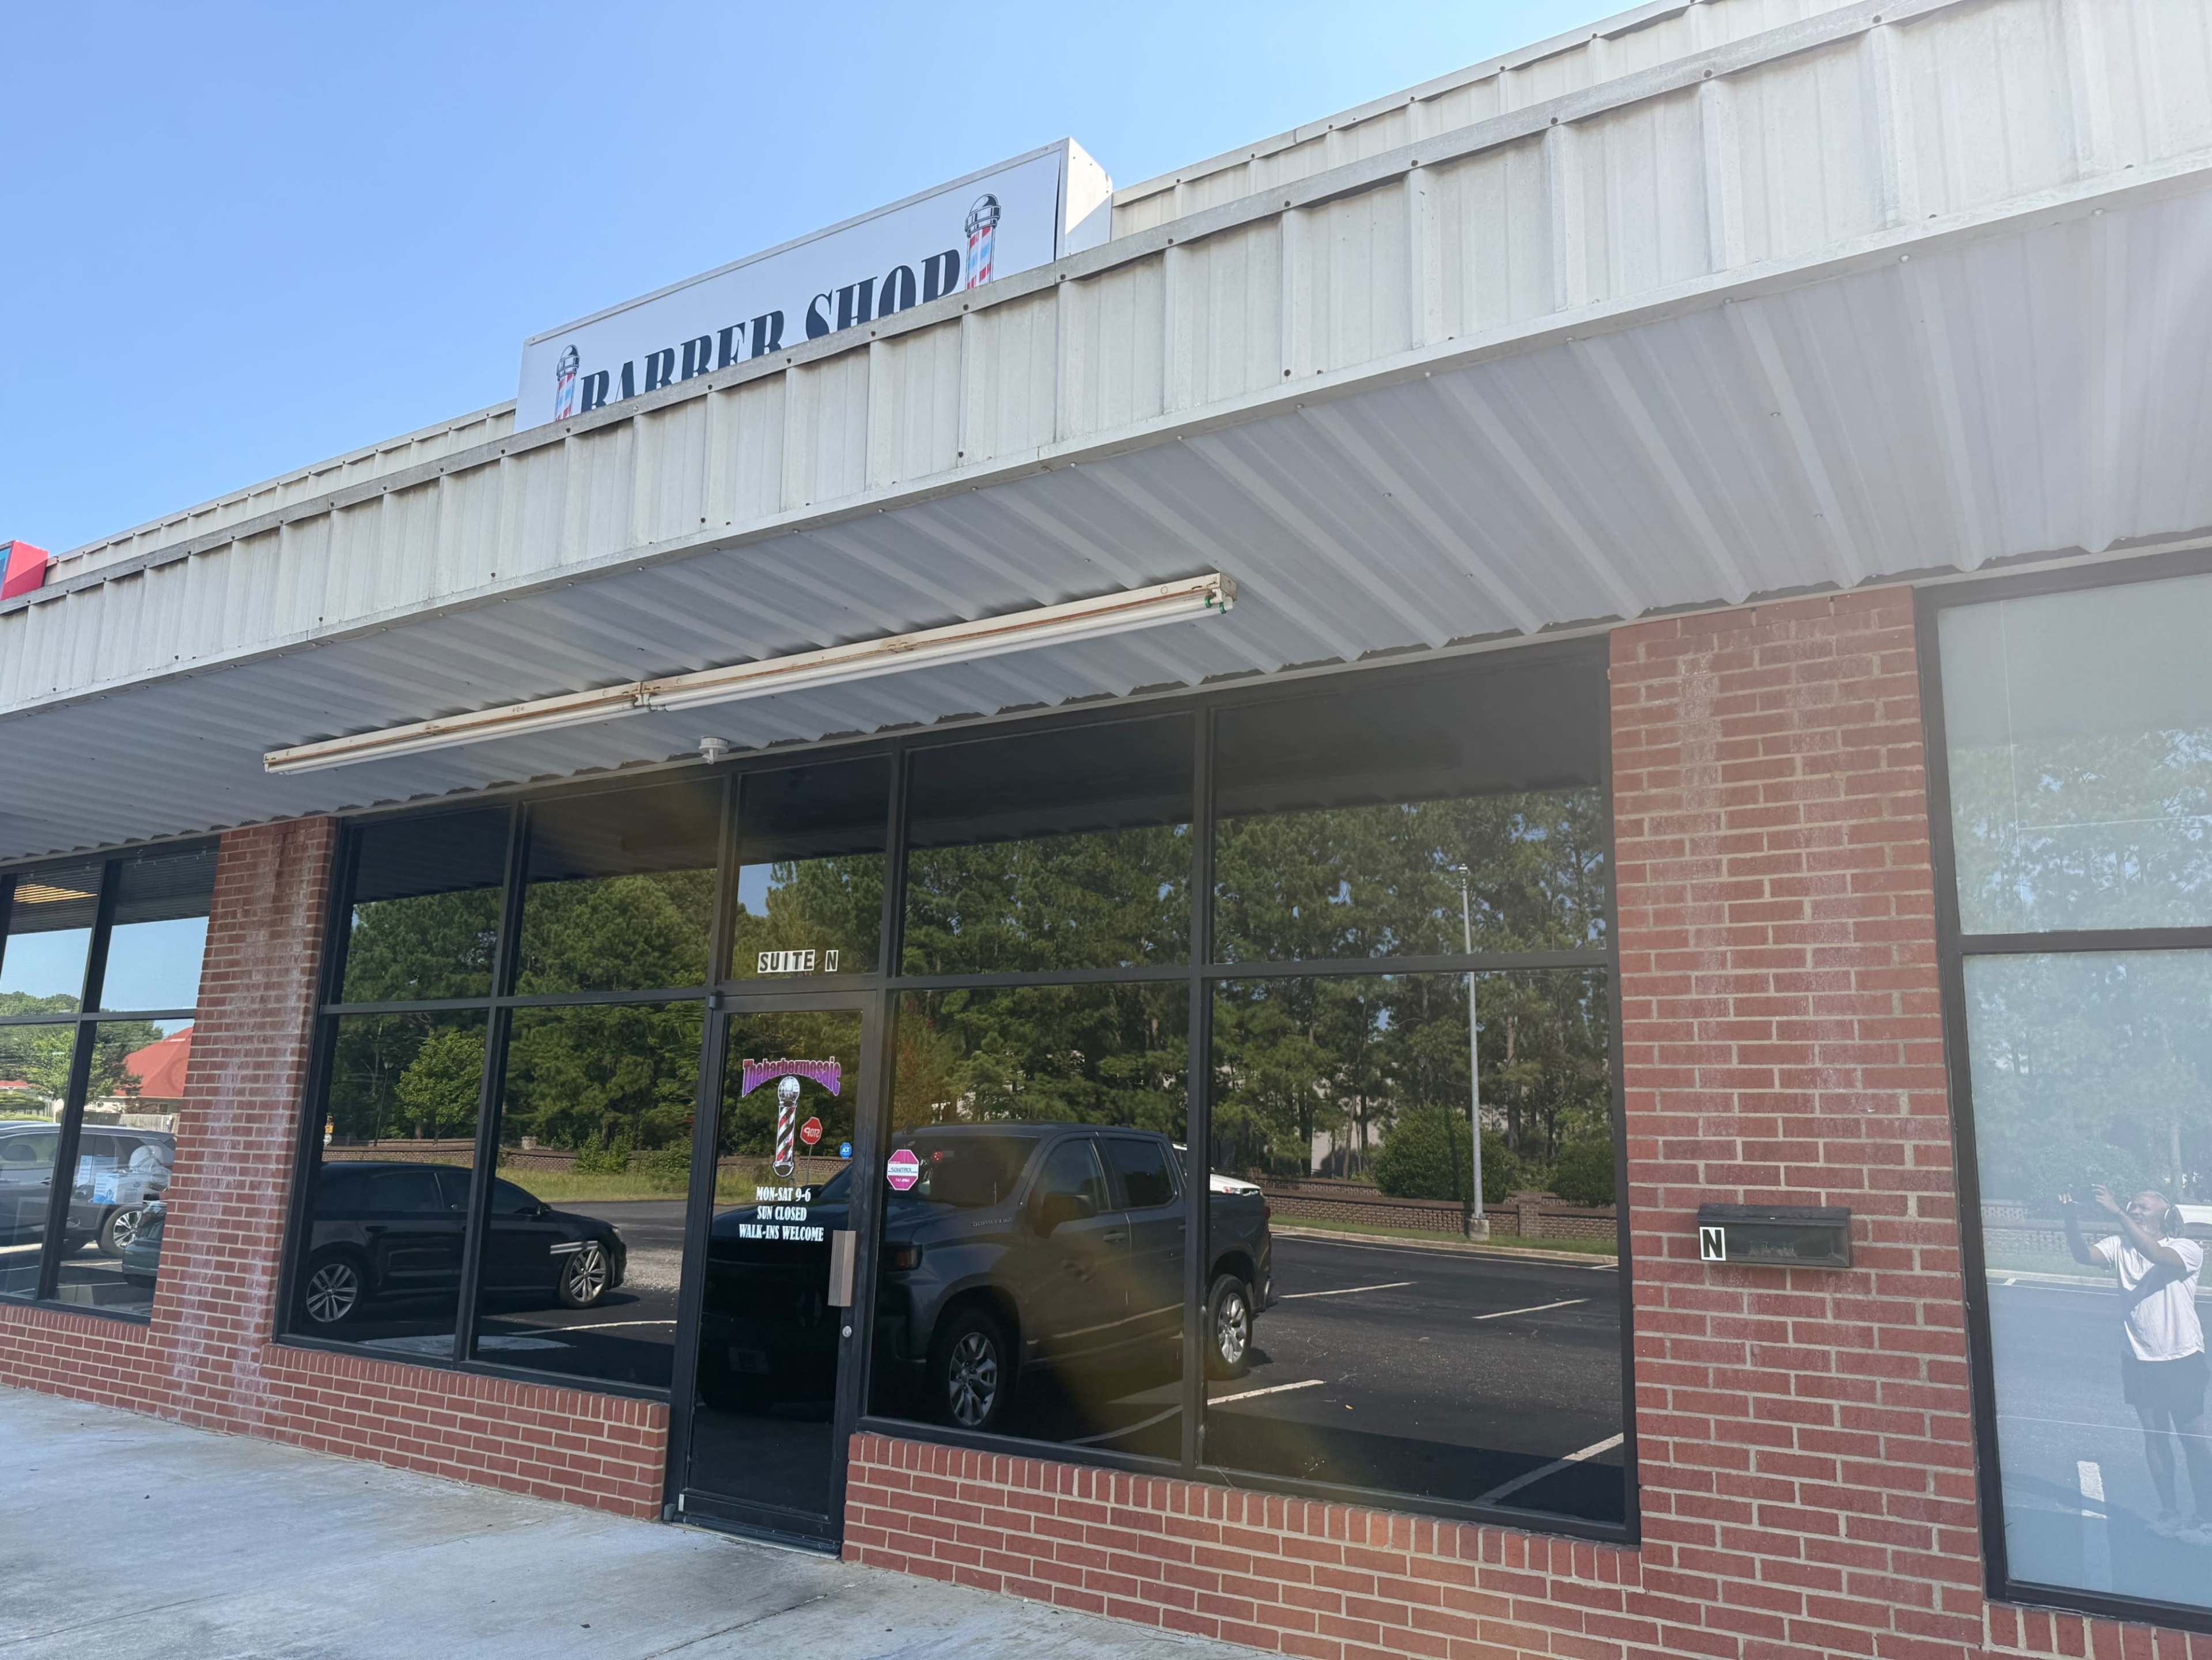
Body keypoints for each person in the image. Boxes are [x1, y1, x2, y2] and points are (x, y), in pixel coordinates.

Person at [2063, 1186, 2211, 1544]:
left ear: (2166, 1212)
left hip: (2180, 1357)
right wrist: (2070, 1217)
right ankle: (2170, 1513)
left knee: (2194, 1440)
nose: (2135, 1208)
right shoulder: (2119, 1244)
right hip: (2138, 1357)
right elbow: (2084, 1255)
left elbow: (2157, 1254)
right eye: (2133, 1205)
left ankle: (2206, 1519)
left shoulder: (2186, 1248)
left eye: (2144, 1205)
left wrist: (2117, 1213)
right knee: (2155, 1438)